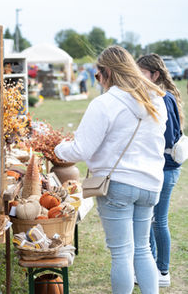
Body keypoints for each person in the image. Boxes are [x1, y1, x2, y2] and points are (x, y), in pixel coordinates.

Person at [54, 45, 166, 294]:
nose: (98, 80)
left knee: (122, 254)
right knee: (143, 249)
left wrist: (57, 149)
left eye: (97, 75)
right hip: (150, 184)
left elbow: (81, 150)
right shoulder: (156, 100)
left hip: (117, 185)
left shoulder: (105, 103)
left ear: (107, 72)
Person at [136, 53, 184, 287]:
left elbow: (165, 138)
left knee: (157, 220)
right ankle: (152, 267)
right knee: (153, 219)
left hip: (166, 168)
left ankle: (161, 271)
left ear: (154, 75)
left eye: (142, 73)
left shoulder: (161, 99)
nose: (138, 77)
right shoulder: (164, 96)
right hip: (166, 167)